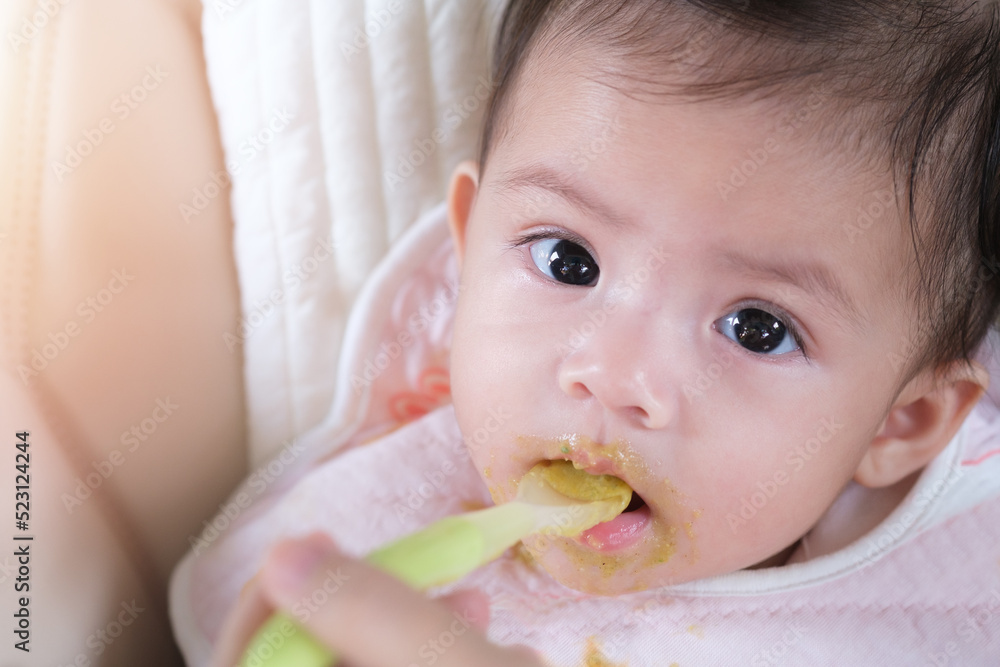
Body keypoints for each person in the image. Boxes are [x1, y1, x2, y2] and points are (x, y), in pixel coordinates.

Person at [188, 1, 1000, 664]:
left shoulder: (941, 611)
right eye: (568, 260)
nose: (613, 374)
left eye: (757, 328)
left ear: (902, 420)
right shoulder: (389, 522)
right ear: (468, 252)